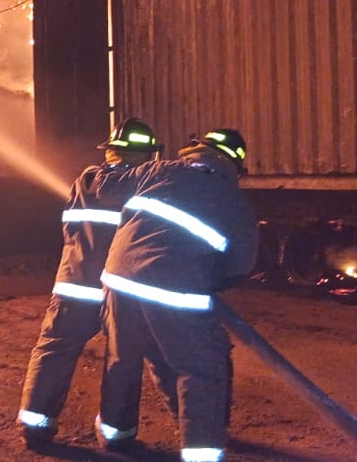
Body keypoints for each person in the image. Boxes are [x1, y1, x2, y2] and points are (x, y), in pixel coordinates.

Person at [93, 129, 260, 462]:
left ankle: (115, 435)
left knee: (123, 358)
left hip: (119, 278)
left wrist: (114, 160)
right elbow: (240, 265)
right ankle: (202, 454)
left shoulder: (159, 170)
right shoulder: (233, 200)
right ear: (233, 163)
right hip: (177, 289)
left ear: (197, 149)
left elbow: (106, 192)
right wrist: (205, 280)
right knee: (200, 369)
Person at [15, 118, 162, 448]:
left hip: (74, 282)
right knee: (122, 359)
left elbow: (70, 229)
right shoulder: (149, 186)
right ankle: (116, 435)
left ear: (111, 151)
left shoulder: (85, 180)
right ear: (148, 155)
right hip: (122, 288)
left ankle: (35, 426)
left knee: (54, 349)